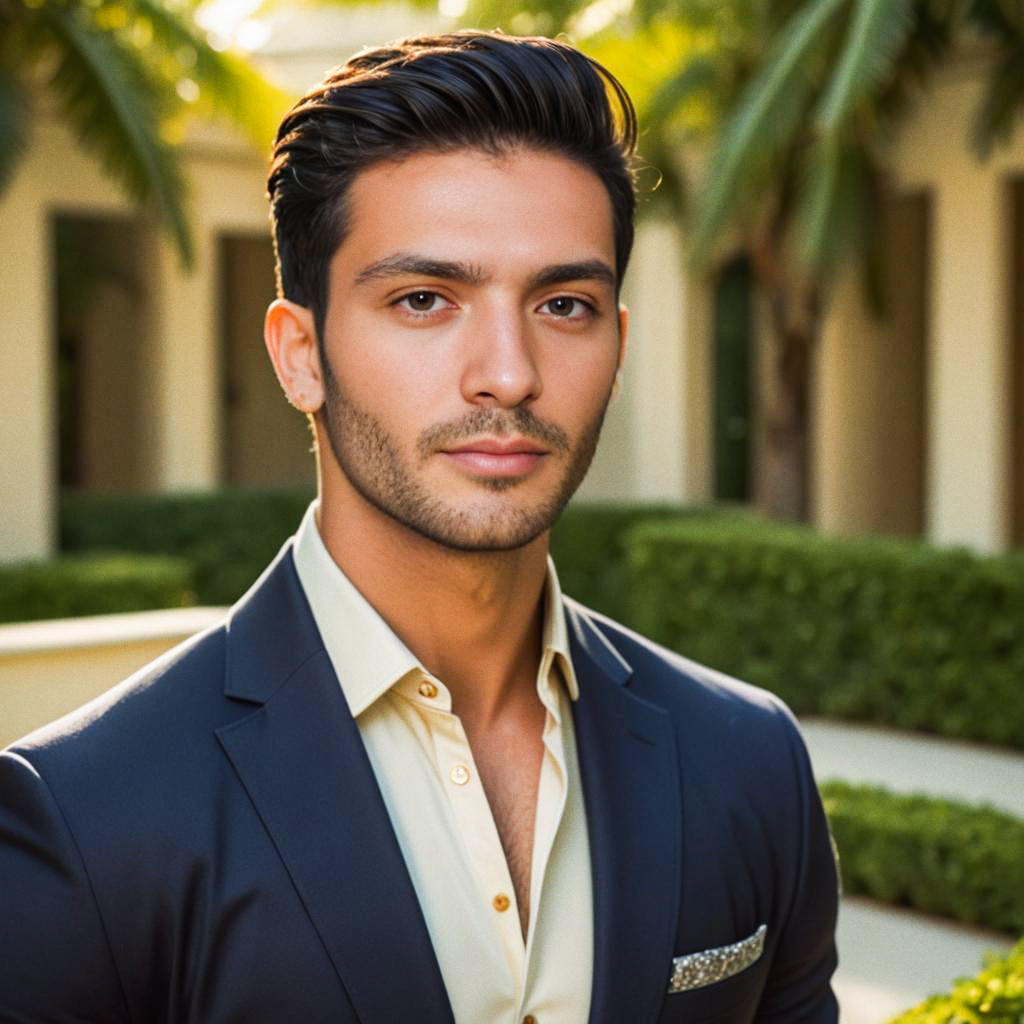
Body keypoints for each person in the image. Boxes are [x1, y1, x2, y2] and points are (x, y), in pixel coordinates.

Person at [0, 31, 838, 1023]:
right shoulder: (86, 816)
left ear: (617, 340)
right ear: (300, 353)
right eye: (426, 299)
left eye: (564, 303)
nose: (508, 371)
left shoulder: (746, 759)